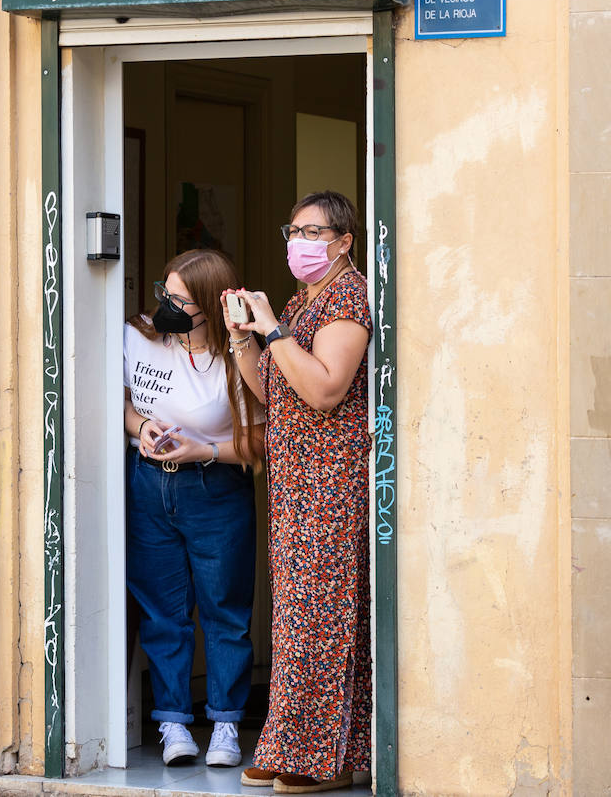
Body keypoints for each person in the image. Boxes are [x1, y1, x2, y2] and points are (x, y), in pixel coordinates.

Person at [222, 190, 372, 795]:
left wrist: (275, 329)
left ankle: (324, 758)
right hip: (294, 481)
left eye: (314, 232)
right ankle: (295, 743)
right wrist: (242, 337)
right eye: (295, 230)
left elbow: (326, 389)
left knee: (321, 615)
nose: (300, 242)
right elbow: (273, 390)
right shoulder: (301, 299)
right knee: (296, 615)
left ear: (344, 242)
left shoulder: (347, 299)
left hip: (330, 482)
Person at [122, 248, 265, 768]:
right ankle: (174, 724)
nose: (166, 305)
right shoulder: (136, 334)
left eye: (180, 299)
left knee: (225, 612)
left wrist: (201, 450)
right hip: (148, 486)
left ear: (208, 303)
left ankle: (226, 725)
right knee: (164, 612)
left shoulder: (236, 359)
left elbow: (260, 441)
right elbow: (115, 397)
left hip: (215, 488)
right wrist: (141, 426)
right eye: (165, 292)